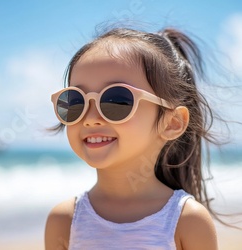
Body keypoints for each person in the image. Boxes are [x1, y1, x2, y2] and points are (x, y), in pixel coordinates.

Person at [44, 27, 220, 250]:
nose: (90, 119)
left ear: (172, 122)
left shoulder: (187, 221)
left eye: (117, 101)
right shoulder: (64, 221)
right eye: (75, 102)